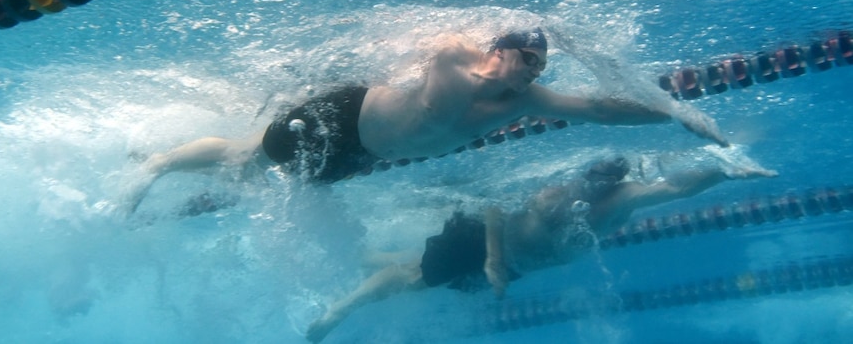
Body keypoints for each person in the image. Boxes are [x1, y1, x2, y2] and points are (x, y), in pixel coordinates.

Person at [129, 27, 728, 212]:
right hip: (339, 117)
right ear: (503, 49)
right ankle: (157, 163)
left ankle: (175, 193)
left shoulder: (524, 102)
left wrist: (674, 113)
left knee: (258, 181)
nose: (535, 72)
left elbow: (599, 109)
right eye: (528, 58)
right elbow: (413, 50)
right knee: (247, 157)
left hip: (361, 156)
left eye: (542, 66)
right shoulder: (450, 56)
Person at [305, 148, 777, 342]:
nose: (590, 186)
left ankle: (358, 255)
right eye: (589, 177)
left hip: (511, 268)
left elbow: (676, 187)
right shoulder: (554, 192)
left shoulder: (623, 199)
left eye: (602, 181)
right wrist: (491, 259)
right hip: (485, 244)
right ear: (583, 173)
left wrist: (724, 168)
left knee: (419, 271)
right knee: (416, 279)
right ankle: (342, 308)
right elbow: (492, 205)